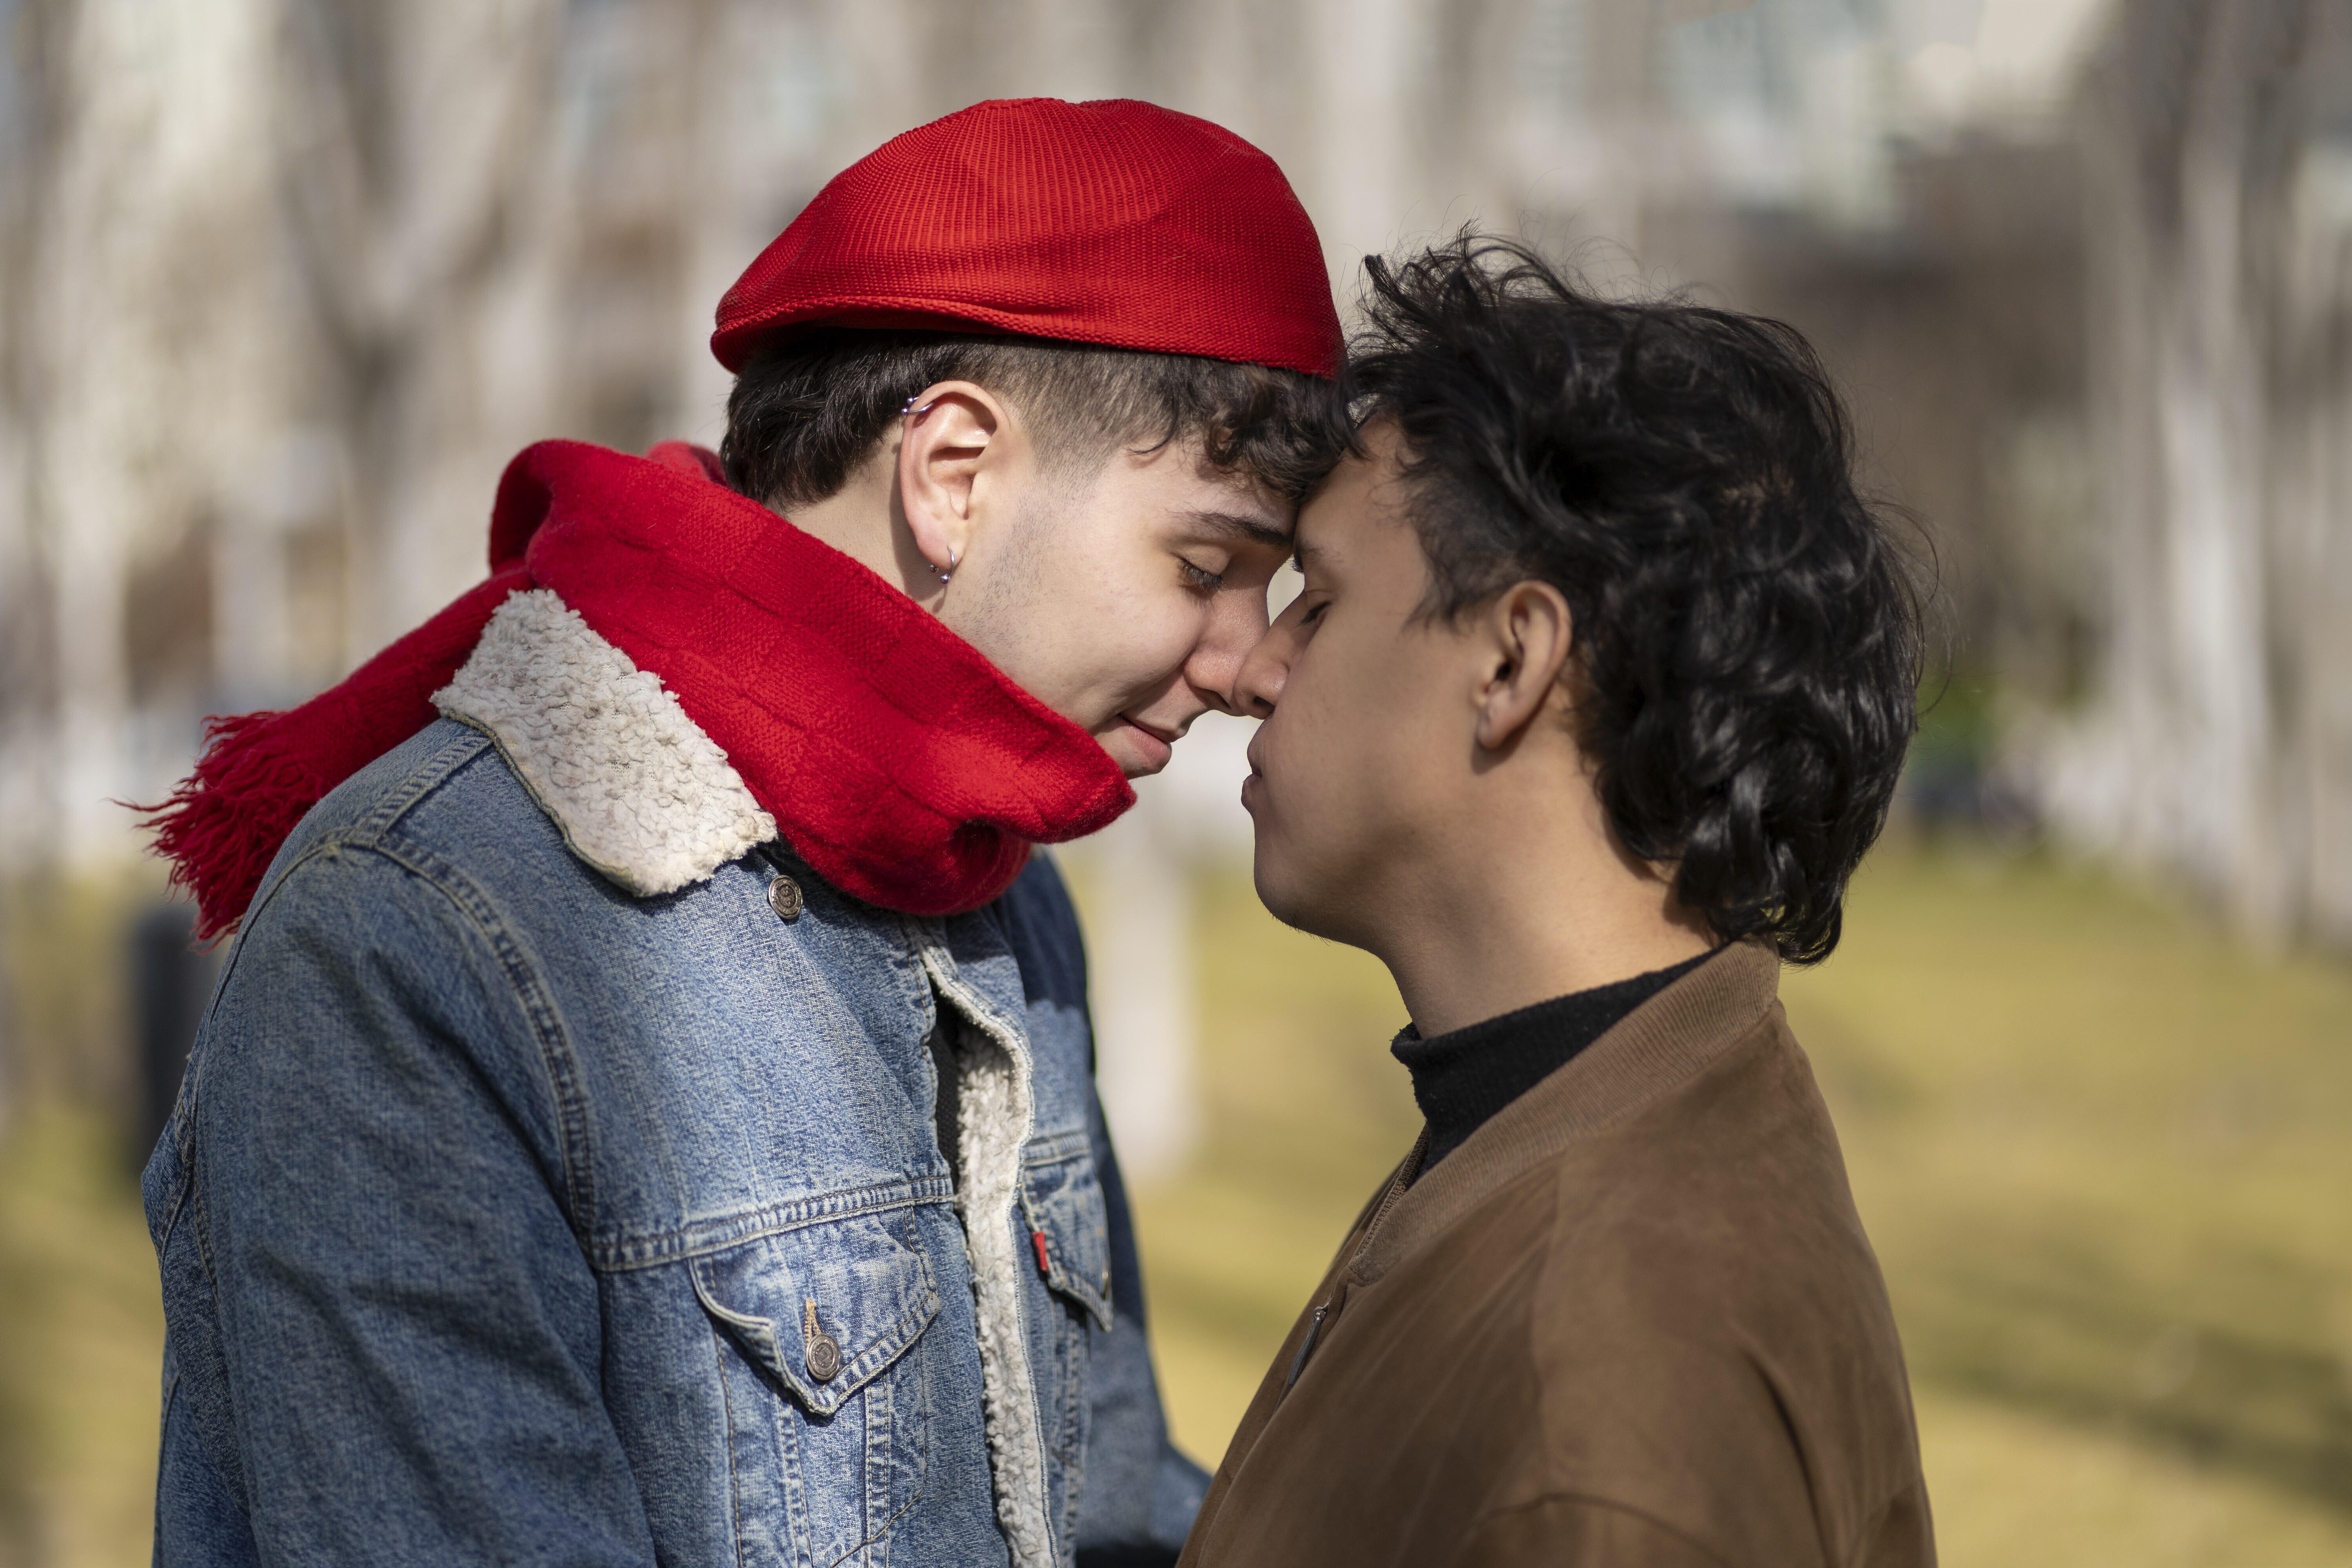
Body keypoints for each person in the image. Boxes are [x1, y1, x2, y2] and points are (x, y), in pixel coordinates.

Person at [140, 99, 1344, 1568]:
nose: (1252, 660)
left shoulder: (994, 885)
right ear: (953, 472)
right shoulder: (412, 940)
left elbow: (1107, 1507)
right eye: (1208, 565)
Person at [1181, 238, 1933, 1567]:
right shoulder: (1563, 1114)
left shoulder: (1606, 1407)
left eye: (1323, 596)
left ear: (1514, 661)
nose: (1255, 666)